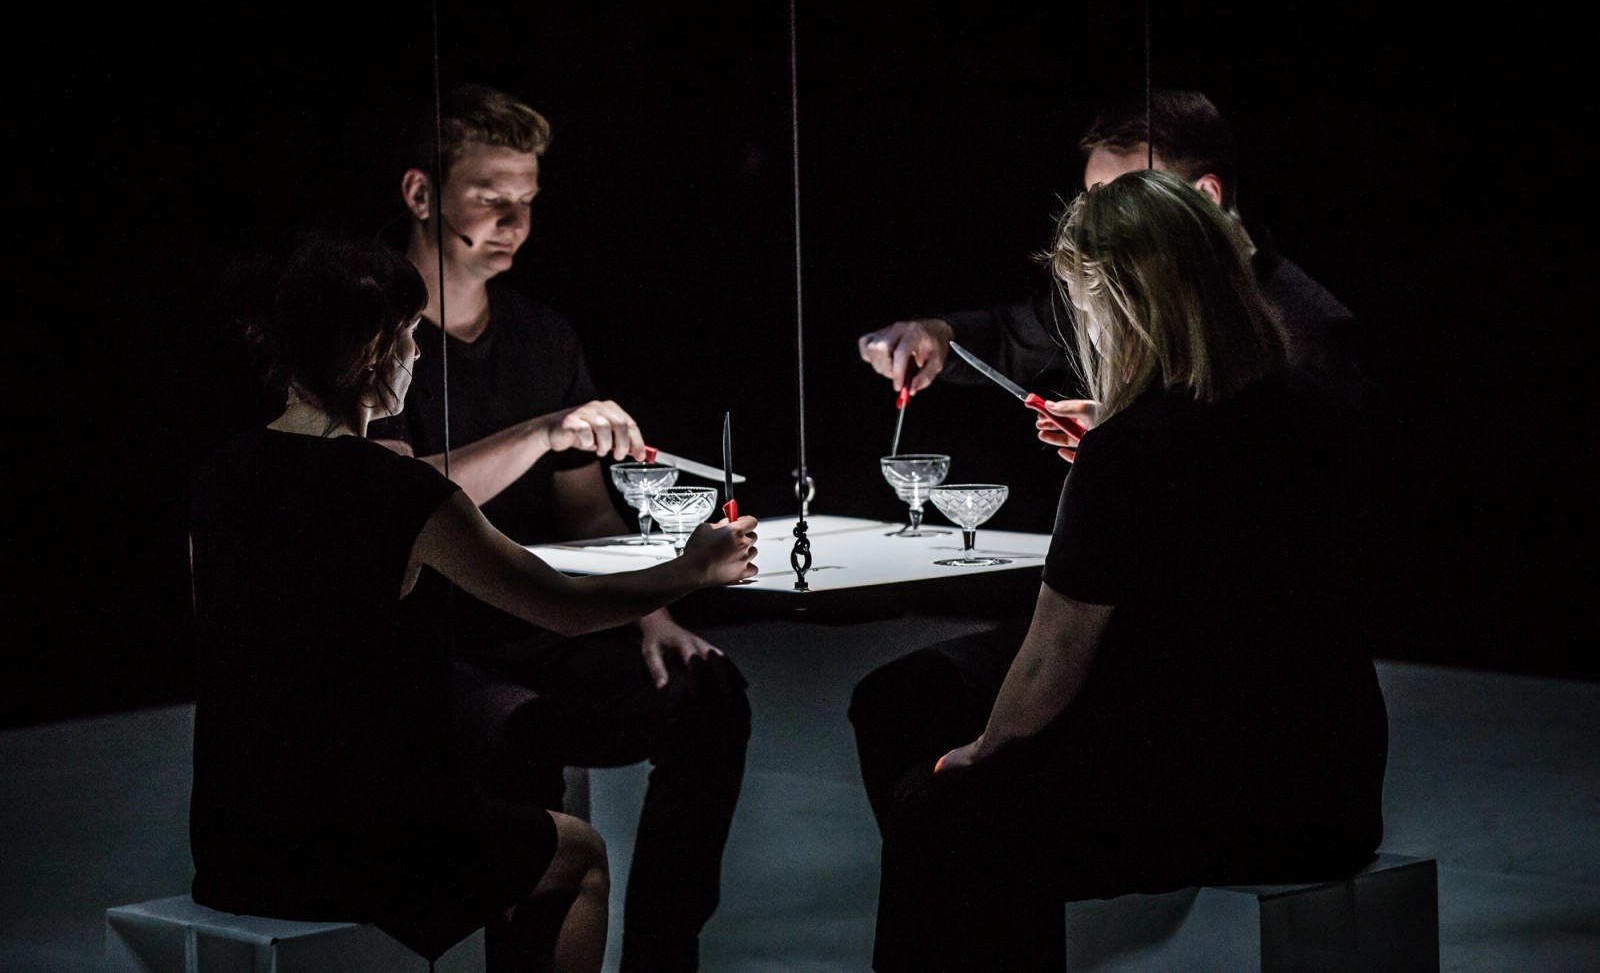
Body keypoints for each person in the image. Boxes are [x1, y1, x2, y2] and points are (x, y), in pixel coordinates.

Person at [859, 171, 1388, 973]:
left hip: (1218, 796)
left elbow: (1053, 657)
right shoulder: (1307, 410)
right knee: (929, 714)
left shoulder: (1133, 452)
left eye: (1084, 308)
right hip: (1335, 780)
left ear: (1125, 306)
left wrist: (979, 754)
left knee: (938, 810)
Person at [188, 231, 758, 971]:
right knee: (580, 855)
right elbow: (565, 606)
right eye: (409, 338)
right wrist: (694, 568)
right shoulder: (406, 495)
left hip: (231, 841)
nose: (418, 355)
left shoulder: (221, 474)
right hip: (353, 846)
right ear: (375, 350)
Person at [365, 83, 751, 973]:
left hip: (545, 629)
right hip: (437, 647)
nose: (514, 222)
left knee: (711, 693)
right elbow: (389, 497)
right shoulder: (379, 341)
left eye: (528, 200)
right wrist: (541, 432)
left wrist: (653, 614)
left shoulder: (544, 336)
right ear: (420, 194)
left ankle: (663, 953)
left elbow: (587, 515)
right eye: (489, 198)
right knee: (521, 734)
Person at [856, 88, 1368, 433]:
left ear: (1205, 197)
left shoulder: (1316, 331)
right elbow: (1015, 335)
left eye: (1124, 197)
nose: (1093, 225)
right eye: (1093, 199)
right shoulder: (1112, 292)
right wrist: (936, 335)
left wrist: (1138, 446)